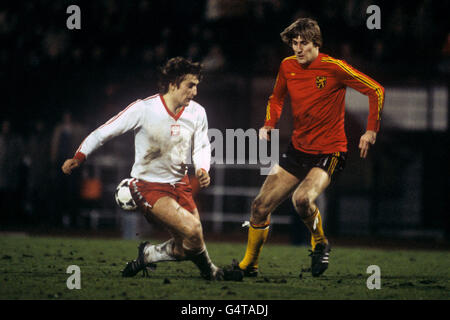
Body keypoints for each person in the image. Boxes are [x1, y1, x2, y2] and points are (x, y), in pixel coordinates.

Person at [231, 18, 385, 277]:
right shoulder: (287, 66)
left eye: (304, 43)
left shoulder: (334, 67)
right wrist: (269, 123)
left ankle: (320, 241)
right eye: (294, 43)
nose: (298, 48)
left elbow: (375, 90)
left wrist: (371, 130)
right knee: (259, 206)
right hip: (298, 150)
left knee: (302, 199)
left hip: (330, 151)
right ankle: (249, 265)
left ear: (316, 44)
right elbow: (276, 98)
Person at [62, 57, 236, 281]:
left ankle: (148, 254)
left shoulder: (197, 112)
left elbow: (201, 145)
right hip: (150, 186)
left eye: (197, 86)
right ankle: (211, 273)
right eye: (190, 85)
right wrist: (80, 155)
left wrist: (202, 168)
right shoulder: (144, 109)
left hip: (180, 184)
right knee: (193, 230)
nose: (195, 91)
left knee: (189, 245)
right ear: (173, 84)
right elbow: (105, 131)